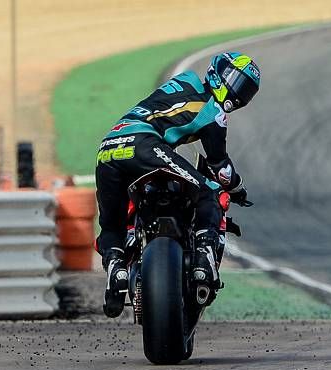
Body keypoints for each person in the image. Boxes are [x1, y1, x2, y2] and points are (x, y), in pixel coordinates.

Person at [94, 51, 261, 317]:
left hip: (108, 148)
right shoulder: (213, 111)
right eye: (235, 81)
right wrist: (238, 189)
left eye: (246, 90)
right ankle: (204, 256)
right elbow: (221, 168)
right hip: (143, 144)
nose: (237, 93)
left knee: (111, 223)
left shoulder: (184, 83)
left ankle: (116, 271)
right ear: (218, 72)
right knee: (208, 190)